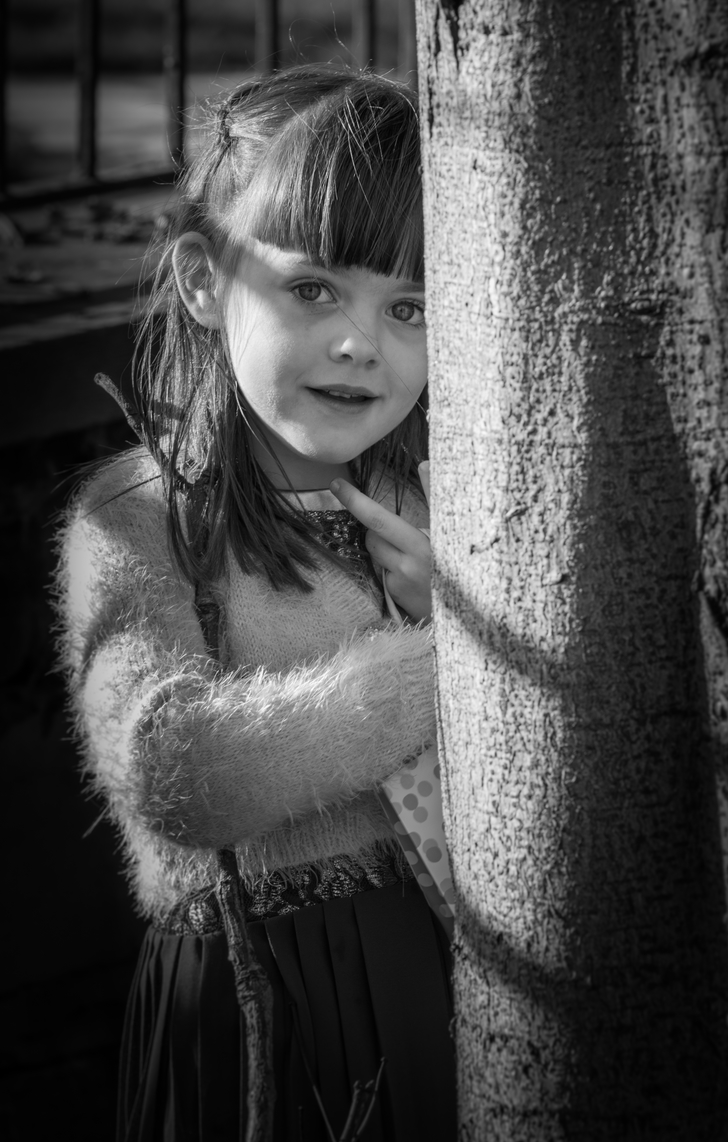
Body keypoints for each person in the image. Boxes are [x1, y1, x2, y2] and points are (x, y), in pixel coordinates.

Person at [56, 66, 455, 1142]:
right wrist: (439, 662)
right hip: (244, 1001)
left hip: (438, 986)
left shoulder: (437, 503)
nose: (359, 343)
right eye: (313, 288)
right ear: (201, 279)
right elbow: (173, 771)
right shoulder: (139, 521)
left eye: (407, 305)